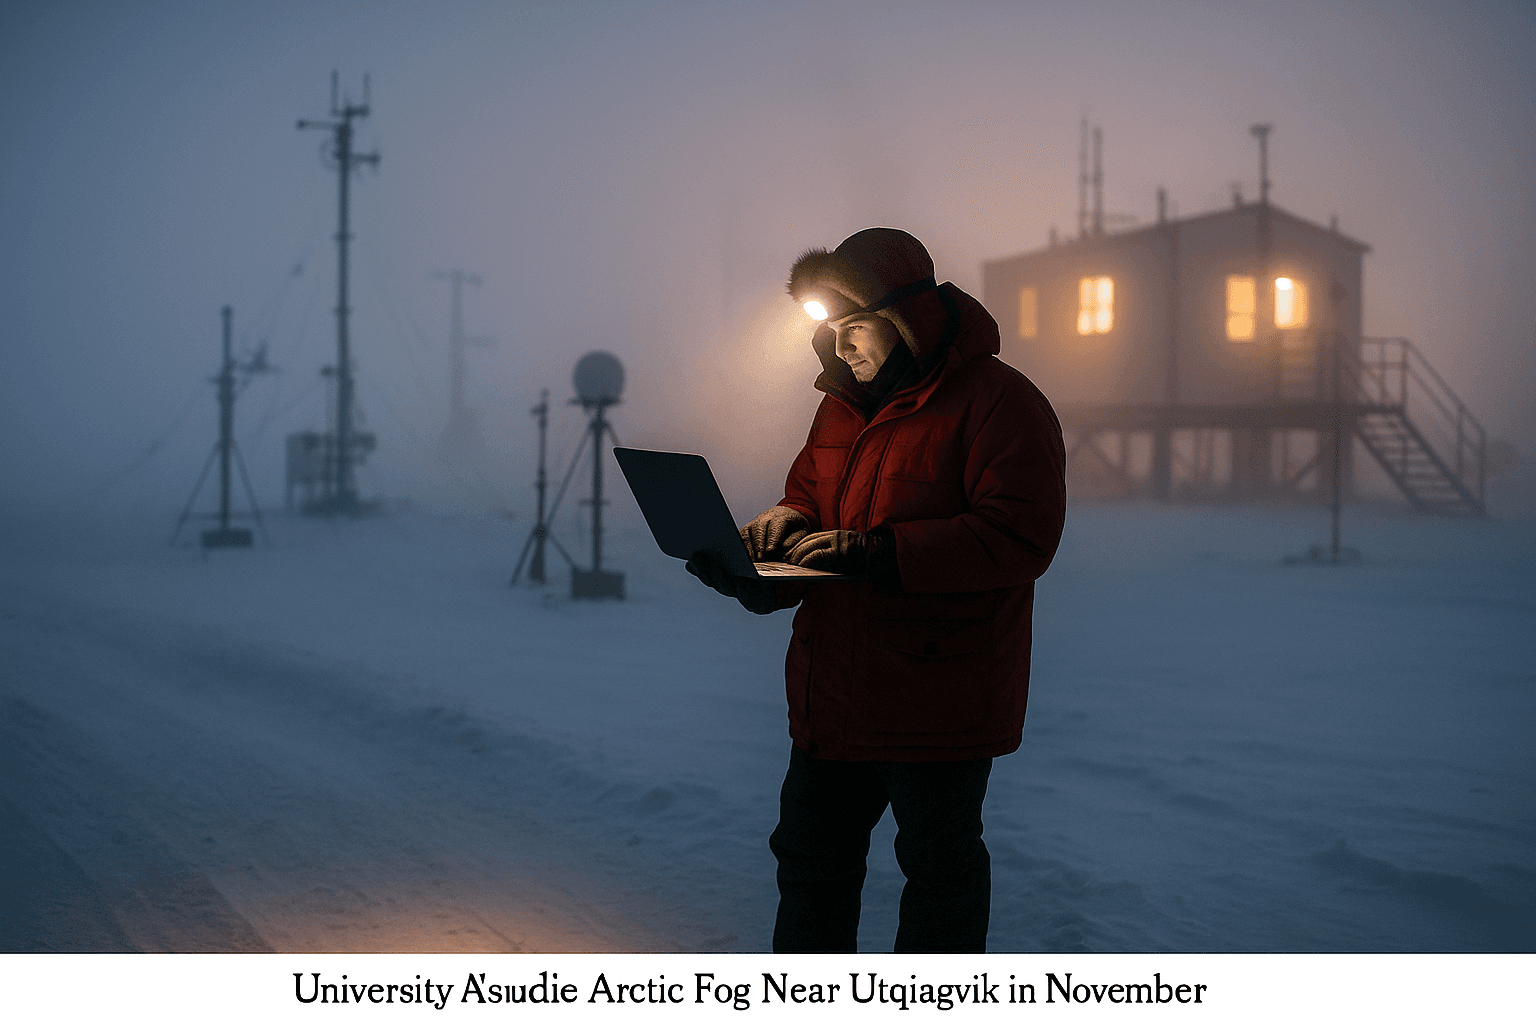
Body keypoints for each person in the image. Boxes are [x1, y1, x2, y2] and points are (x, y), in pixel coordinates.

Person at [687, 227, 1066, 952]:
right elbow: (809, 498)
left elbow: (1020, 537)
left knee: (938, 883)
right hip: (832, 698)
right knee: (810, 869)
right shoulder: (839, 408)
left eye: (856, 327)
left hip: (938, 703)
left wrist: (877, 553)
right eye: (832, 330)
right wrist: (777, 533)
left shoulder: (999, 404)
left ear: (908, 320)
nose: (844, 346)